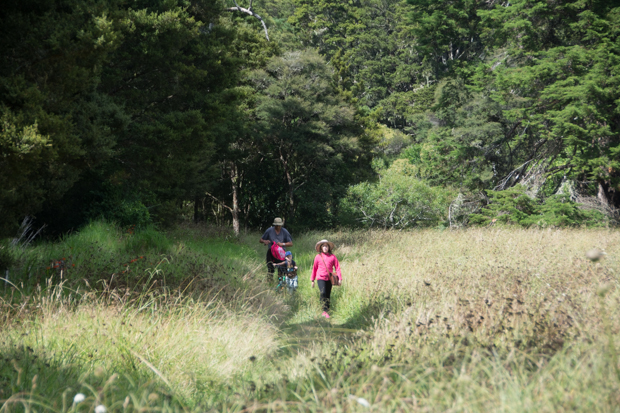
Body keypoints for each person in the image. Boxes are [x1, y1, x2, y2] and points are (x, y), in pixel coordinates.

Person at [311, 239, 342, 319]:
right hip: (320, 278)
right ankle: (324, 310)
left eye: (326, 246)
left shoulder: (333, 257)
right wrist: (312, 280)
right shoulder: (318, 257)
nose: (325, 247)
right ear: (321, 248)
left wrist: (340, 278)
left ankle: (327, 310)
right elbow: (314, 268)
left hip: (329, 279)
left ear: (329, 248)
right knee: (323, 292)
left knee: (328, 295)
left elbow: (337, 267)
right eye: (324, 246)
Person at [259, 217, 293, 282]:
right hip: (271, 252)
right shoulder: (269, 230)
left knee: (281, 269)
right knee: (270, 268)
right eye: (277, 225)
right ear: (274, 225)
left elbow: (291, 243)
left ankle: (281, 283)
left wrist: (282, 244)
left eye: (279, 225)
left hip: (281, 254)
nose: (278, 227)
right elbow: (260, 240)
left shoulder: (285, 231)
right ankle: (270, 282)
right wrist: (265, 241)